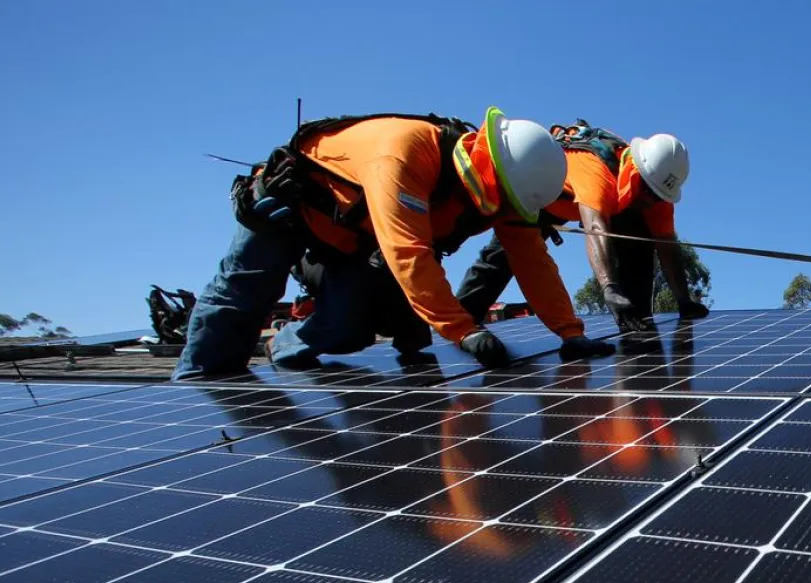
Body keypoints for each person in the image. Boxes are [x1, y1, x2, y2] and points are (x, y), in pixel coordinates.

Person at [173, 108, 614, 380]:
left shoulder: (510, 194)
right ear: (488, 169)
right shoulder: (404, 153)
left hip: (354, 242)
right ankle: (194, 389)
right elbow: (408, 253)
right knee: (243, 294)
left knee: (350, 327)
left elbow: (532, 262)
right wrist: (465, 332)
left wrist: (570, 334)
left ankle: (282, 349)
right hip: (289, 209)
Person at [454, 121, 709, 337]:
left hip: (606, 205)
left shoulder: (657, 195)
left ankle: (636, 323)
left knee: (638, 241)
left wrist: (684, 301)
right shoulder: (596, 171)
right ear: (636, 170)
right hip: (546, 194)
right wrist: (610, 288)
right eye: (647, 190)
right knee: (502, 257)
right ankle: (462, 324)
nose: (650, 199)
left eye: (657, 195)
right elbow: (596, 229)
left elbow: (667, 246)